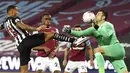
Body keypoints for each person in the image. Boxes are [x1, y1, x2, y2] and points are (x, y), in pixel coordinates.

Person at [0, 5, 88, 73]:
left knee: (24, 70)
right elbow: (23, 26)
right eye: (16, 10)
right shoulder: (15, 18)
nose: (18, 12)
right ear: (12, 11)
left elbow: (1, 27)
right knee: (51, 34)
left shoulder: (5, 22)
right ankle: (74, 40)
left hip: (20, 46)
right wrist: (36, 29)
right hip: (25, 40)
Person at [62, 10, 128, 73]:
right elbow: (80, 33)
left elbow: (105, 35)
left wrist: (95, 26)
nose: (96, 15)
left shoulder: (108, 25)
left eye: (98, 14)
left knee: (97, 50)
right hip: (112, 55)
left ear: (103, 17)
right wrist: (69, 31)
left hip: (117, 49)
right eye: (96, 14)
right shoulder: (93, 29)